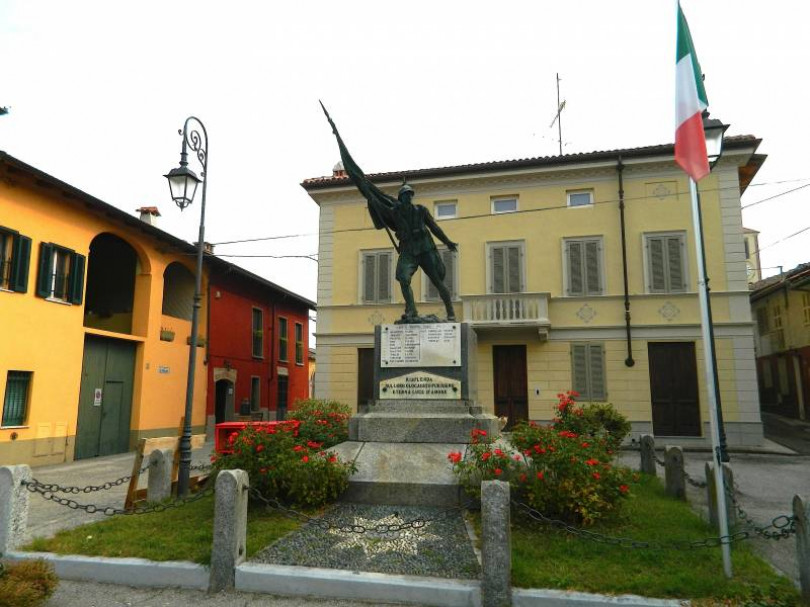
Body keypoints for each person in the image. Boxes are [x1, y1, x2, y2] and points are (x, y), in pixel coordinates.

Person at [322, 103, 457, 322]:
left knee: (438, 281)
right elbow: (370, 193)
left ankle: (450, 312)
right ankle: (411, 310)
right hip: (408, 250)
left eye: (408, 195)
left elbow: (434, 227)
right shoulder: (394, 212)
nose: (406, 198)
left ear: (411, 196)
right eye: (403, 195)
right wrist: (366, 191)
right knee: (403, 279)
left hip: (424, 248)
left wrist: (448, 241)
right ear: (401, 197)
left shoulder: (420, 210)